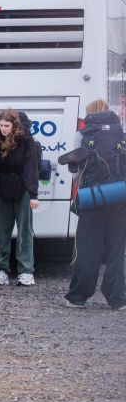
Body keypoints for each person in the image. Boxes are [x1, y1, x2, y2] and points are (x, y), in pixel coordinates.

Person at [65, 99, 126, 310]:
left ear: (89, 113)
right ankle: (117, 299)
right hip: (120, 197)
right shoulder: (121, 132)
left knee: (88, 247)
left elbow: (75, 170)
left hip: (93, 198)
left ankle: (78, 297)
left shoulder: (83, 134)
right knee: (117, 250)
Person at [0, 108, 39, 286]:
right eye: (0, 125)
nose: (3, 129)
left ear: (14, 125)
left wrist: (33, 194)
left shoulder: (26, 141)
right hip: (2, 190)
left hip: (22, 189)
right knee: (3, 232)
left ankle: (26, 271)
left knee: (25, 231)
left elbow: (31, 168)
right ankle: (2, 269)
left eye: (7, 125)